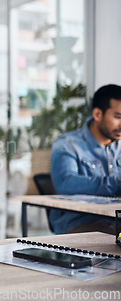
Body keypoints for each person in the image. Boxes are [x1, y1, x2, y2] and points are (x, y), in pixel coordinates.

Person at [50, 84, 121, 234]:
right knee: (110, 238)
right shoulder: (67, 145)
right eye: (117, 117)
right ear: (97, 114)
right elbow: (65, 183)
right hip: (81, 223)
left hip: (116, 221)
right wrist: (116, 184)